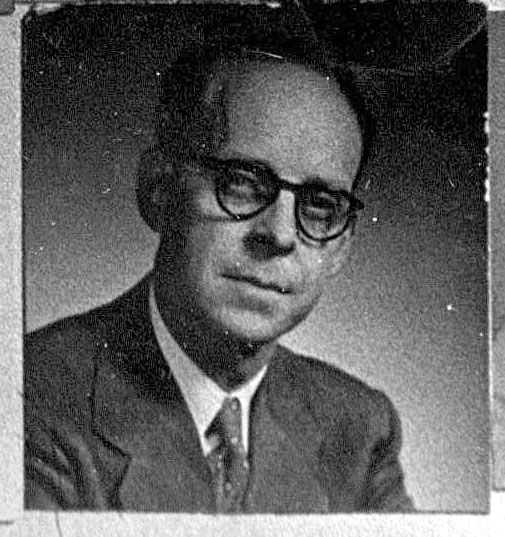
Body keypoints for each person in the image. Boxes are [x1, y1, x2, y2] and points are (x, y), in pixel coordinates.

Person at [24, 45, 414, 512]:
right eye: (242, 182)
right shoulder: (30, 396)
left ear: (340, 246)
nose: (279, 235)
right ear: (159, 189)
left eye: (320, 205)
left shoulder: (359, 427)